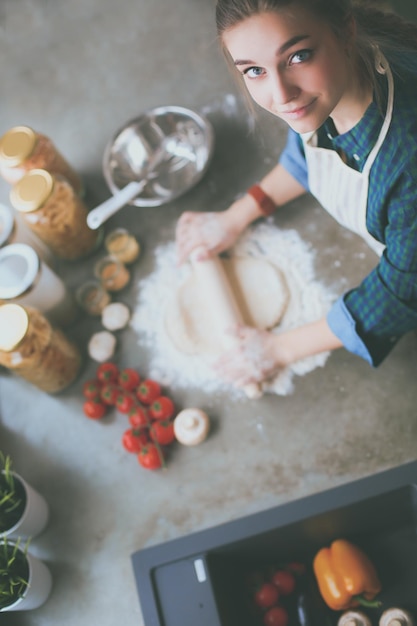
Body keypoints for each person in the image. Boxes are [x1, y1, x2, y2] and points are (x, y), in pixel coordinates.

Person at [175, 0, 417, 390]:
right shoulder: (330, 86)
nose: (281, 94)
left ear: (346, 31)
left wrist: (277, 350)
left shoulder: (408, 160)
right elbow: (308, 153)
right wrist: (235, 217)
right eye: (255, 71)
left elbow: (402, 292)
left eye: (297, 56)